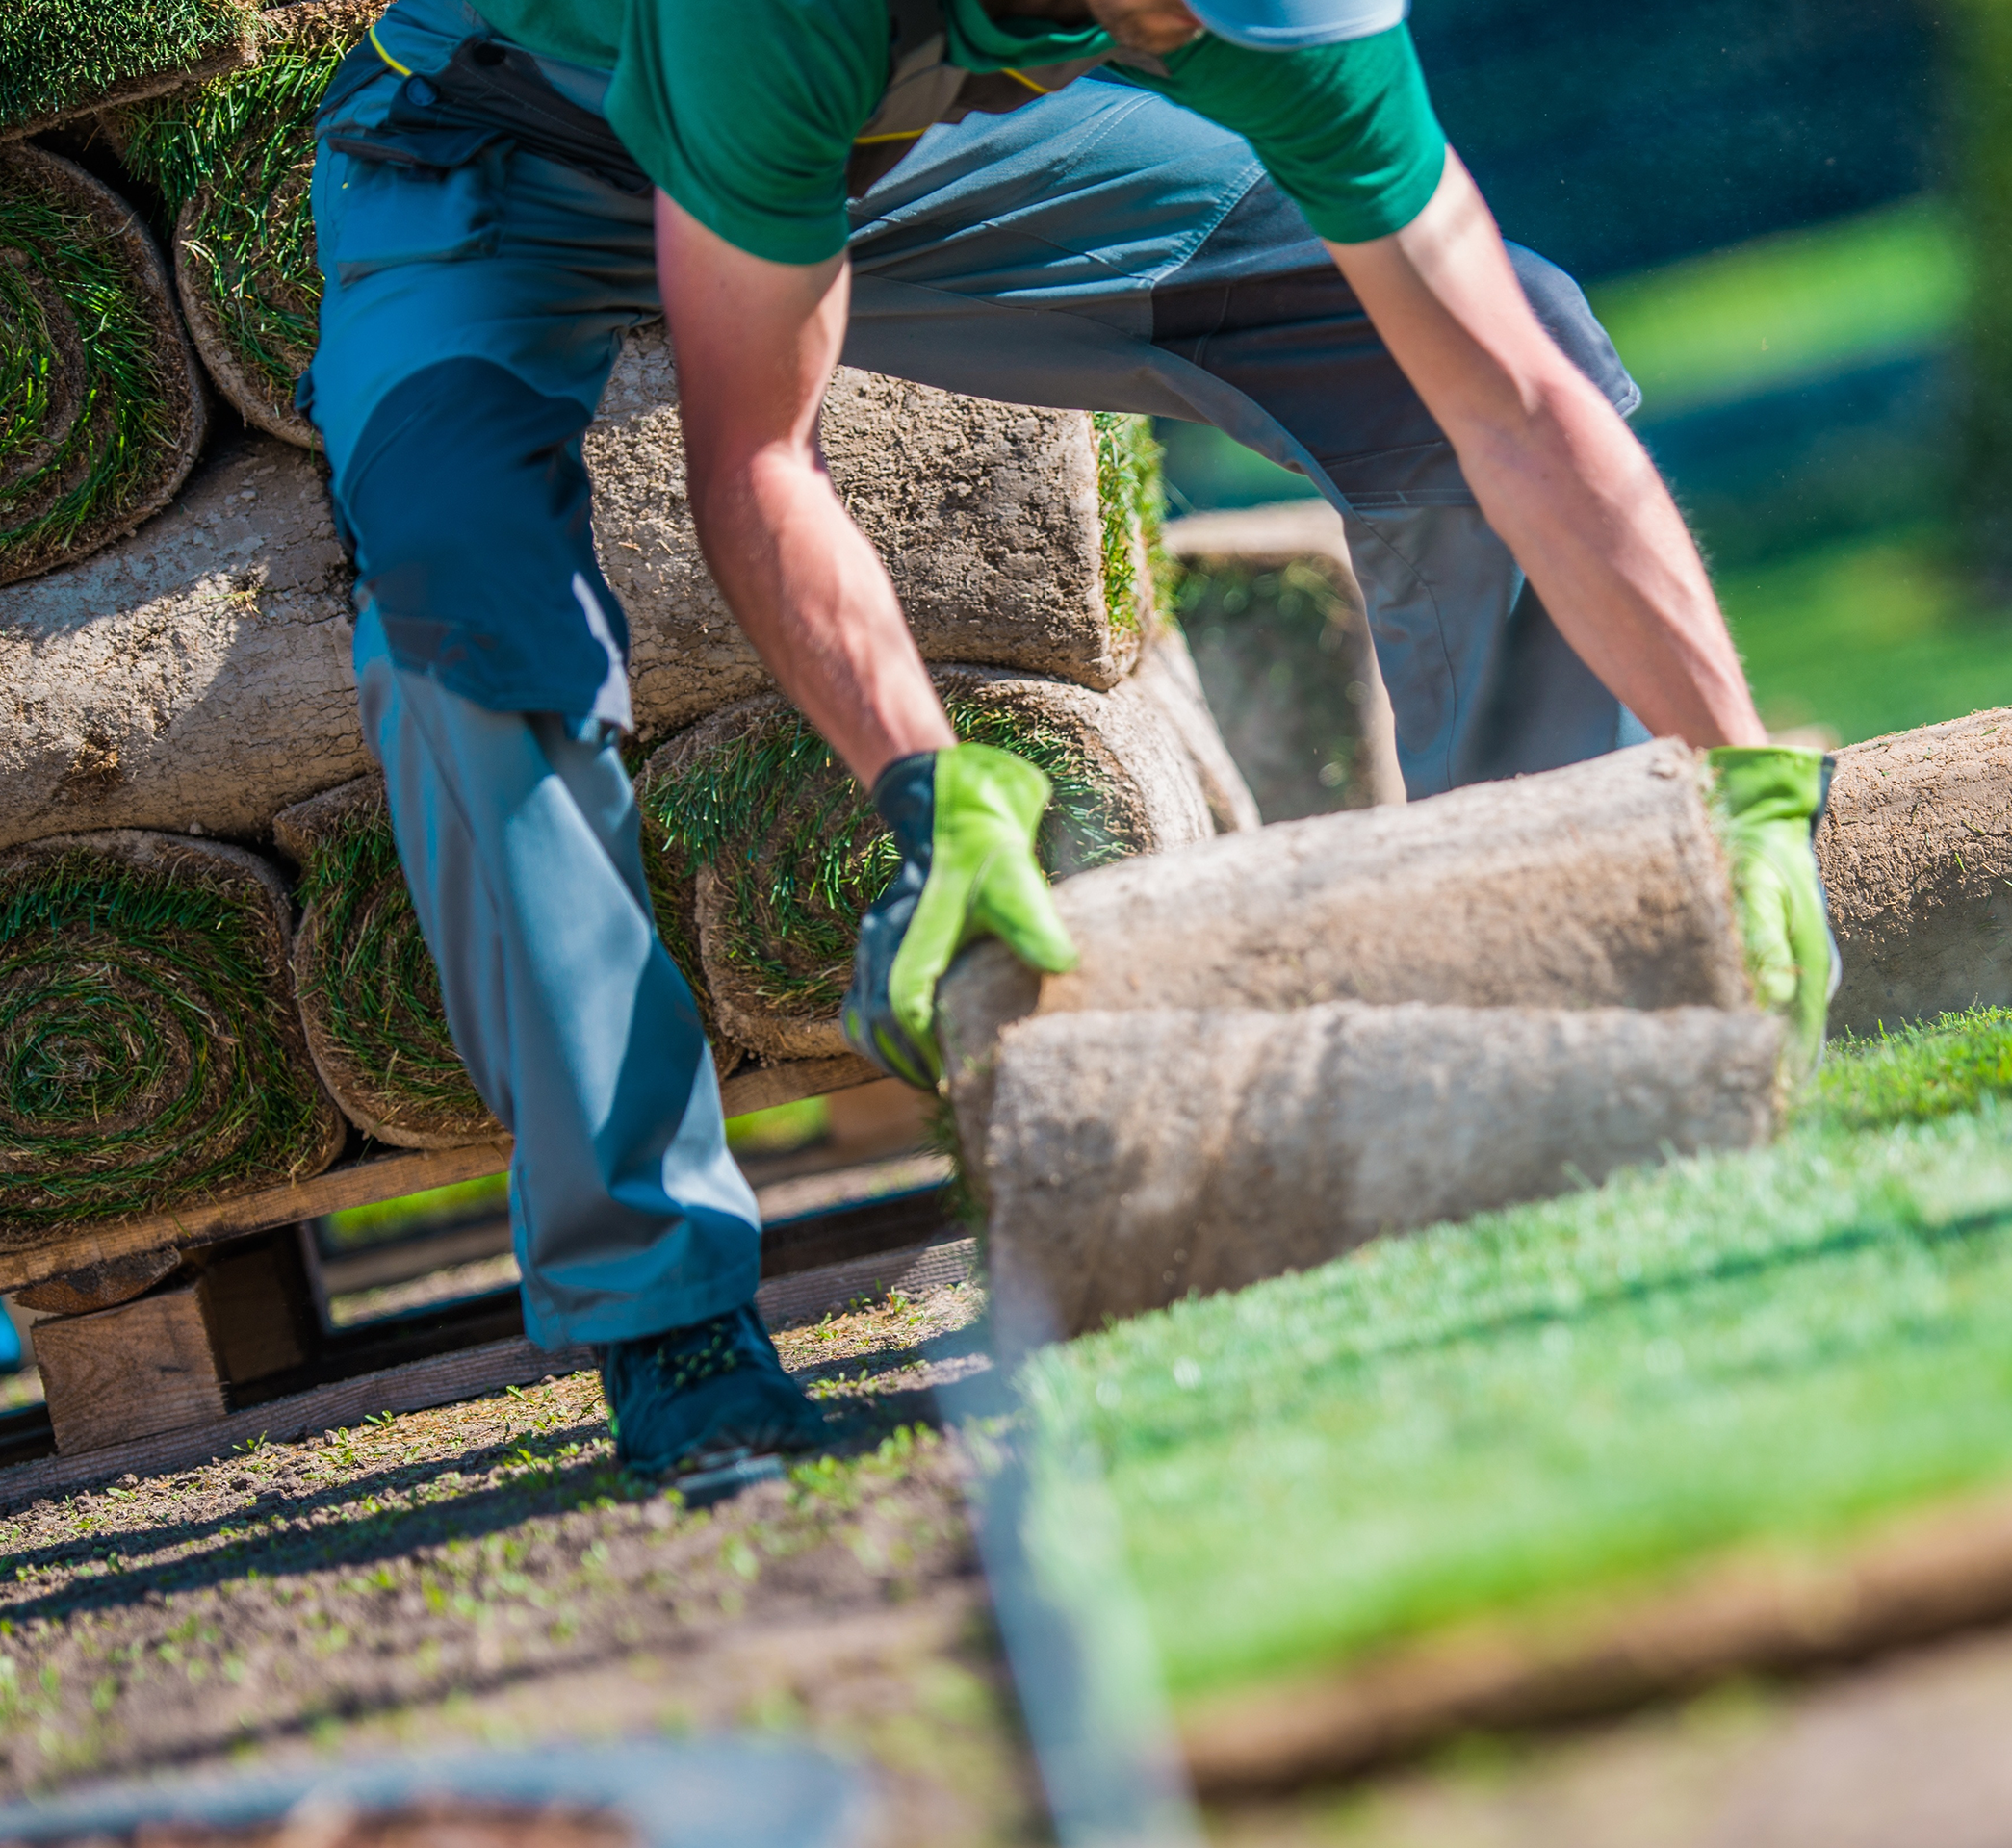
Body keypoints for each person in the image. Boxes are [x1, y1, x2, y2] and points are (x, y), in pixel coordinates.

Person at [303, 0, 1836, 1481]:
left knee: (1482, 338)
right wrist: (928, 791)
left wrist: (1730, 775)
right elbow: (754, 457)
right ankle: (664, 1310)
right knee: (469, 609)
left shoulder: (1276, 24)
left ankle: (1540, 1037)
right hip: (497, 160)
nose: (1203, 39)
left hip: (880, 155)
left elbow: (1514, 401)